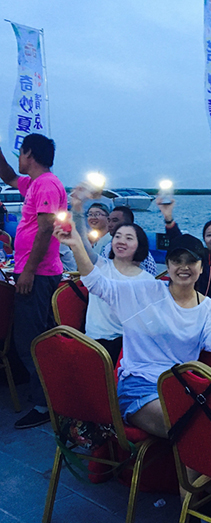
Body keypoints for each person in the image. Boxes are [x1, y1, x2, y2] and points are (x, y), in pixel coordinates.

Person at [54, 220, 211, 439]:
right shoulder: (145, 291)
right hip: (139, 384)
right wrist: (76, 245)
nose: (184, 267)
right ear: (167, 265)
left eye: (191, 261)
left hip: (179, 386)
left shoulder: (206, 306)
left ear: (201, 267)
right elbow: (97, 284)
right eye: (177, 261)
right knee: (187, 427)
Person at [0, 133, 67, 429]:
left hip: (38, 275)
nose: (18, 158)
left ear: (29, 154)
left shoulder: (47, 184)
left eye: (20, 152)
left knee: (30, 339)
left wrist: (27, 271)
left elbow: (45, 229)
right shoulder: (35, 184)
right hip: (34, 272)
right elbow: (9, 176)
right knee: (34, 335)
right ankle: (48, 394)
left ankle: (44, 404)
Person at [72, 199, 155, 365]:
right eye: (118, 237)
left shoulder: (147, 280)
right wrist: (77, 210)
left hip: (129, 344)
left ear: (139, 245)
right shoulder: (100, 266)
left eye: (129, 238)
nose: (121, 241)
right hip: (96, 343)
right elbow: (81, 243)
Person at [99, 205, 157, 276]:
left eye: (115, 221)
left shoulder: (139, 251)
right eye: (109, 220)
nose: (110, 224)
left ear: (128, 223)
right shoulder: (108, 246)